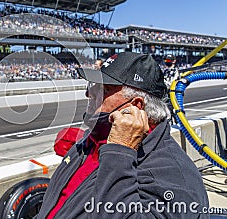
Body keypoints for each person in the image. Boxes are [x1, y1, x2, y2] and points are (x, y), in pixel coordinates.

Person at [37, 52, 209, 218]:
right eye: (92, 86)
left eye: (104, 89)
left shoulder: (177, 179)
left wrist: (120, 153)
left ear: (135, 106)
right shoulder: (92, 140)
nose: (89, 93)